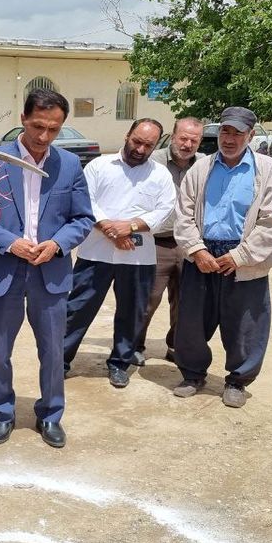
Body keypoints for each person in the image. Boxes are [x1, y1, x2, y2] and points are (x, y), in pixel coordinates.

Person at [0, 89, 94, 447]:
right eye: (38, 126)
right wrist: (9, 241)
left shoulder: (68, 165)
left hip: (49, 271)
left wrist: (57, 244)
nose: (44, 136)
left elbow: (83, 218)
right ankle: (3, 412)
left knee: (52, 350)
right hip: (3, 270)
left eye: (53, 129)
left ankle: (51, 414)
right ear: (23, 118)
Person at [172, 106, 272, 408]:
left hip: (244, 257)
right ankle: (193, 374)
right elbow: (183, 215)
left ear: (250, 135)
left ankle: (238, 380)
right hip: (203, 253)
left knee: (246, 324)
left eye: (238, 132)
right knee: (193, 321)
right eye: (225, 131)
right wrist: (196, 250)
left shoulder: (266, 169)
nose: (230, 138)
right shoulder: (201, 167)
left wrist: (241, 255)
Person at [63, 118, 175, 388]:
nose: (140, 149)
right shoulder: (99, 166)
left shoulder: (160, 175)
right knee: (77, 308)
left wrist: (130, 227)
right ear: (127, 135)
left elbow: (165, 210)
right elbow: (85, 201)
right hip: (95, 252)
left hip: (138, 256)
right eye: (137, 141)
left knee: (132, 312)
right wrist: (110, 230)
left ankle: (119, 363)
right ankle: (60, 359)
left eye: (148, 145)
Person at [135, 116, 205, 364]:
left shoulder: (205, 165)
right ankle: (135, 346)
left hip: (191, 246)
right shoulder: (152, 162)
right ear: (173, 137)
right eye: (183, 138)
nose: (187, 144)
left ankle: (176, 346)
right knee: (147, 299)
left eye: (194, 140)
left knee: (186, 302)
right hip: (156, 243)